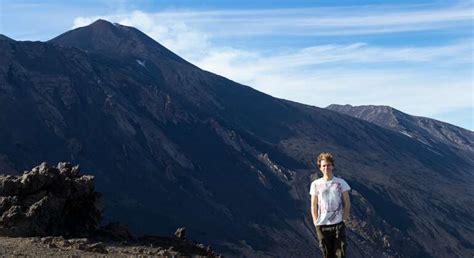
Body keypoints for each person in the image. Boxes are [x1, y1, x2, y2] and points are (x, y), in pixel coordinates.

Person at [309, 152, 351, 258]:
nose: (326, 167)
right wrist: (316, 223)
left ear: (332, 166)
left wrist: (344, 220)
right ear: (320, 168)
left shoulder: (341, 183)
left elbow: (347, 202)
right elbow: (314, 204)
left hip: (338, 224)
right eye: (324, 165)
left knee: (340, 253)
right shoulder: (315, 184)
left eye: (328, 165)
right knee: (327, 254)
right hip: (322, 225)